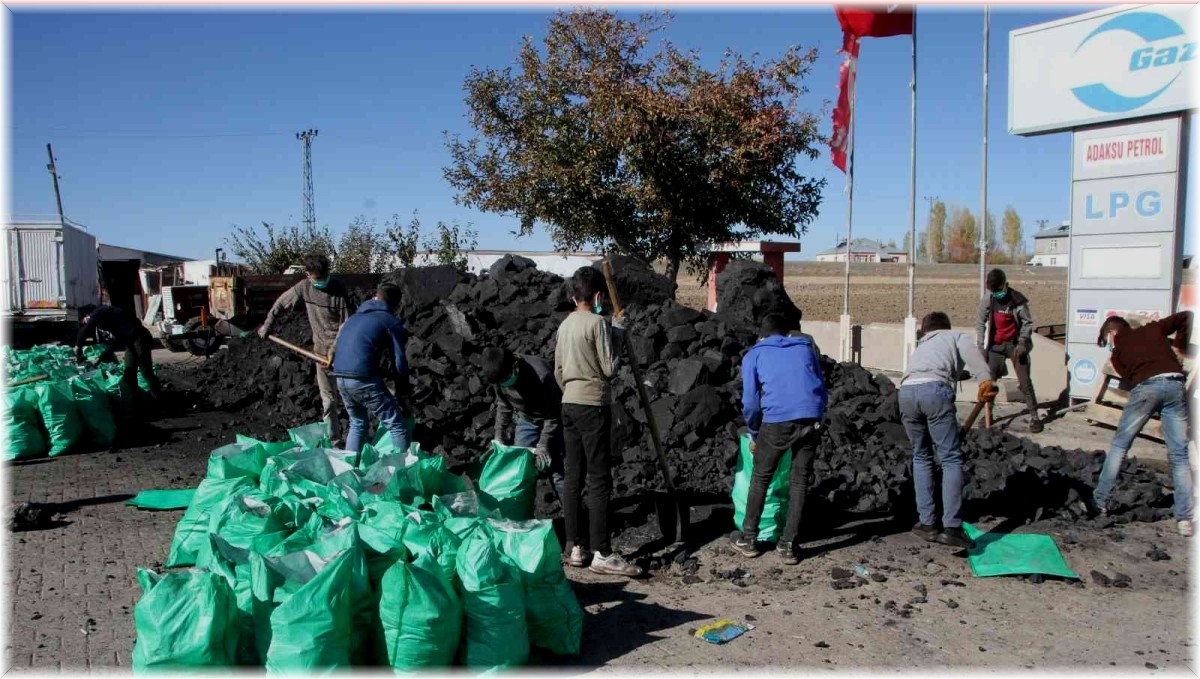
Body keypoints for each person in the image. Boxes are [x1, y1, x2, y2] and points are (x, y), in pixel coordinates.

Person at [554, 266, 642, 577]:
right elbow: (609, 368)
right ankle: (602, 552)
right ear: (599, 296)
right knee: (599, 479)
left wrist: (572, 391)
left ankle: (575, 546)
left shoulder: (564, 327)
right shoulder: (597, 324)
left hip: (568, 403)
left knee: (573, 476)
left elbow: (558, 372)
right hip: (592, 404)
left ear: (573, 295)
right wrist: (616, 330)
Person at [731, 313, 828, 565]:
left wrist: (754, 432)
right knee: (799, 482)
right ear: (787, 333)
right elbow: (820, 384)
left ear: (761, 335)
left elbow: (750, 402)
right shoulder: (806, 348)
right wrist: (818, 414)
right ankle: (788, 545)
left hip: (776, 422)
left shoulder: (754, 354)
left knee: (761, 477)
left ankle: (749, 538)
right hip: (811, 417)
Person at [1090, 311, 1193, 536]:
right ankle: (1185, 519)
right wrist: (1179, 347)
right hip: (1175, 385)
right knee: (1179, 455)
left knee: (1120, 446)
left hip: (1146, 389)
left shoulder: (1117, 353)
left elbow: (1130, 379)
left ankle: (1100, 502)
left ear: (1112, 332)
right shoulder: (1153, 329)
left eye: (1106, 338)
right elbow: (1186, 316)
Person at [901, 311, 997, 548]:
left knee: (921, 456)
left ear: (926, 330)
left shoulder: (922, 346)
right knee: (950, 458)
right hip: (934, 392)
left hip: (905, 393)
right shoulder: (955, 337)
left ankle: (927, 523)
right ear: (946, 326)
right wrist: (985, 379)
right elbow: (975, 360)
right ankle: (952, 527)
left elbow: (935, 369)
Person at [259, 254, 353, 446]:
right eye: (316, 278)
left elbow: (347, 324)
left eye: (323, 277)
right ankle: (335, 442)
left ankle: (356, 440)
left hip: (344, 353)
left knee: (349, 398)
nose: (320, 282)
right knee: (329, 401)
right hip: (319, 353)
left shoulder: (339, 291)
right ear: (308, 274)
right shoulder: (304, 287)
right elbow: (281, 303)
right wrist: (268, 325)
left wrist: (335, 349)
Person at [330, 282, 410, 456]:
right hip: (362, 379)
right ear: (395, 304)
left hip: (340, 377)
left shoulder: (354, 318)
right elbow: (399, 361)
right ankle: (402, 474)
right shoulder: (390, 321)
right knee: (397, 426)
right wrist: (403, 392)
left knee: (357, 422)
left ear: (376, 296)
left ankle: (349, 471)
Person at [480, 346, 565, 492]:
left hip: (553, 419)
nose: (506, 383)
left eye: (507, 378)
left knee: (557, 470)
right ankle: (524, 509)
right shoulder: (497, 376)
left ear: (514, 365)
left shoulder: (541, 374)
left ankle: (572, 511)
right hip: (526, 419)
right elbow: (503, 405)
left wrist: (543, 444)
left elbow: (553, 414)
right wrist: (498, 437)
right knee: (520, 466)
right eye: (502, 382)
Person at [975, 268, 1043, 433]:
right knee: (989, 382)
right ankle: (988, 414)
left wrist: (1021, 343)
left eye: (999, 290)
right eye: (993, 291)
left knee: (1025, 382)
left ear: (1005, 285)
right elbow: (980, 321)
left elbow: (1027, 323)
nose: (996, 293)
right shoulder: (988, 299)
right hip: (996, 346)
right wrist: (981, 346)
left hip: (1015, 345)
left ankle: (1035, 418)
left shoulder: (1017, 301)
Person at [75, 303, 162, 400]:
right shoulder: (107, 321)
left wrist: (78, 345)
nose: (86, 323)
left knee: (145, 371)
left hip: (140, 337)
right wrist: (100, 359)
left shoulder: (100, 312)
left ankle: (157, 397)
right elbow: (115, 342)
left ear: (87, 315)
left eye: (84, 321)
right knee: (129, 373)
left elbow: (87, 328)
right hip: (130, 341)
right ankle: (137, 399)